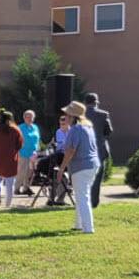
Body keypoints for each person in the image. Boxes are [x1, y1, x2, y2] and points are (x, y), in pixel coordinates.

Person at [56, 102, 100, 233]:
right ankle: (78, 224)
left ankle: (88, 228)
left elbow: (70, 151)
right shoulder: (88, 127)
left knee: (82, 197)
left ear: (73, 116)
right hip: (92, 165)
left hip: (81, 167)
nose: (65, 117)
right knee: (82, 195)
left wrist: (61, 168)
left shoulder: (75, 130)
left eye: (67, 115)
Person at [0, 110, 24, 207]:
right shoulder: (15, 130)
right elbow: (20, 144)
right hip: (11, 159)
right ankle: (8, 204)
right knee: (10, 183)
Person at [84, 93, 113, 208]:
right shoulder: (104, 114)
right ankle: (94, 202)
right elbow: (109, 131)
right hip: (99, 149)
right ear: (96, 102)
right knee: (97, 177)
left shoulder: (80, 115)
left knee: (84, 177)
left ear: (85, 103)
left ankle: (84, 200)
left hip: (84, 149)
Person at [17, 109, 42, 195]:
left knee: (30, 172)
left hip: (33, 153)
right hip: (22, 152)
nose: (29, 118)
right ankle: (16, 188)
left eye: (31, 117)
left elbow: (38, 139)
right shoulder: (20, 127)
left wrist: (38, 149)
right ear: (24, 117)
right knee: (21, 171)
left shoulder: (35, 127)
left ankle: (26, 188)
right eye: (27, 117)